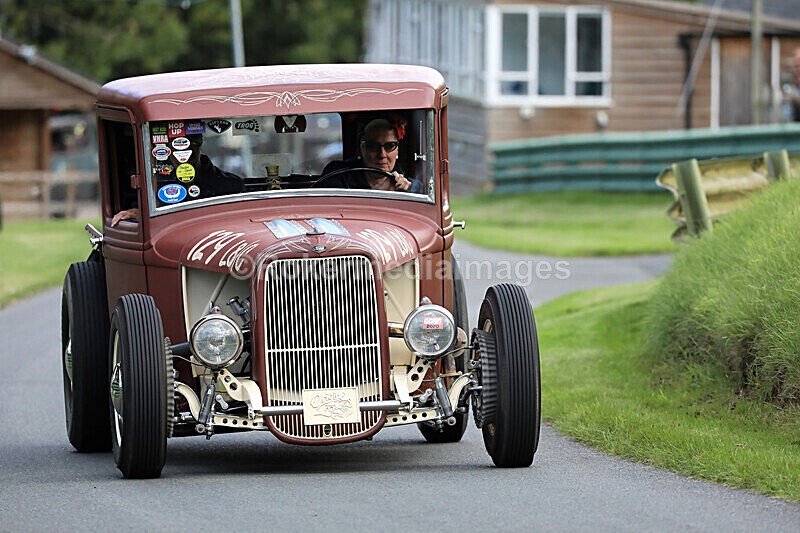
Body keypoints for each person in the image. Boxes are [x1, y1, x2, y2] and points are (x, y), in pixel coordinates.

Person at [111, 133, 243, 226]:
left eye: (194, 143)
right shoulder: (153, 184)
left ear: (200, 144)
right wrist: (139, 214)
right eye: (179, 145)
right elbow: (140, 213)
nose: (187, 152)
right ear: (168, 146)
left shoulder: (231, 185)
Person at [321, 117, 423, 193]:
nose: (382, 154)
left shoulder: (413, 188)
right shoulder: (337, 176)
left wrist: (403, 193)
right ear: (361, 149)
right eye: (373, 146)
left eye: (390, 146)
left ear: (397, 151)